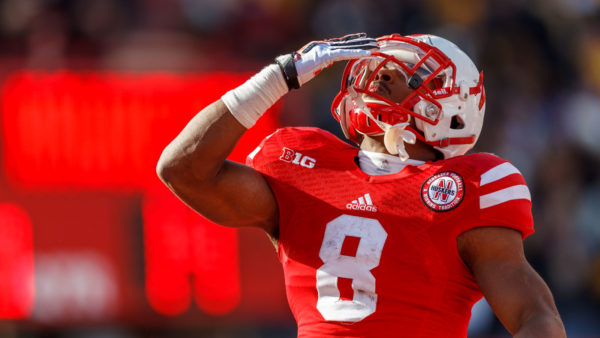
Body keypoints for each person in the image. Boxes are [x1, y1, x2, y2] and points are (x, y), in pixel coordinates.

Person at [156, 33, 566, 337]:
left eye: (407, 72)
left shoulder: (469, 186)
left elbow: (536, 317)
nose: (383, 71)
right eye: (380, 64)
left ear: (450, 109)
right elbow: (183, 170)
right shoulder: (304, 162)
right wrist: (277, 78)